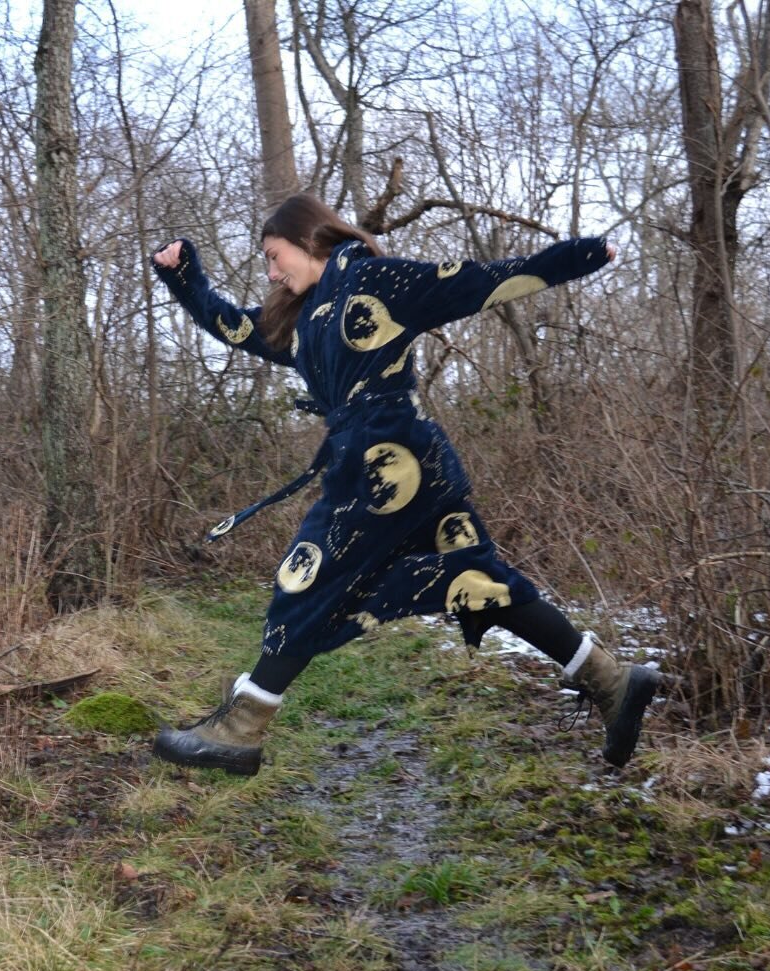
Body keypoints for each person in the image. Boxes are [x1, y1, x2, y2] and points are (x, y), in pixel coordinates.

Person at [150, 193, 660, 777]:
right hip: (398, 463)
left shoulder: (374, 280)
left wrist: (580, 256)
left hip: (386, 465)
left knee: (308, 576)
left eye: (273, 255)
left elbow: (477, 282)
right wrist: (185, 276)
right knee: (481, 580)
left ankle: (242, 726)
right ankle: (612, 681)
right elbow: (241, 328)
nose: (270, 271)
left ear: (309, 238)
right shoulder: (311, 316)